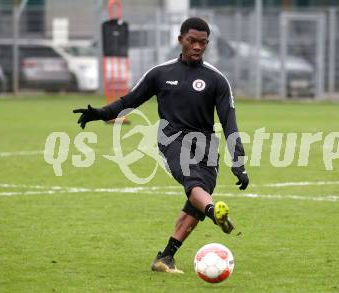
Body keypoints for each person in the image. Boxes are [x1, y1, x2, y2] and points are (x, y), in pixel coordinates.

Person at [73, 17, 249, 274]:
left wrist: (239, 161)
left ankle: (165, 258)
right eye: (192, 41)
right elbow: (128, 101)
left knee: (195, 203)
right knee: (195, 185)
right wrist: (100, 113)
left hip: (205, 146)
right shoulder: (160, 74)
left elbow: (229, 122)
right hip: (172, 140)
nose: (197, 46)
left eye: (203, 42)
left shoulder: (217, 80)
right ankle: (213, 211)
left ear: (207, 44)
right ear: (180, 40)